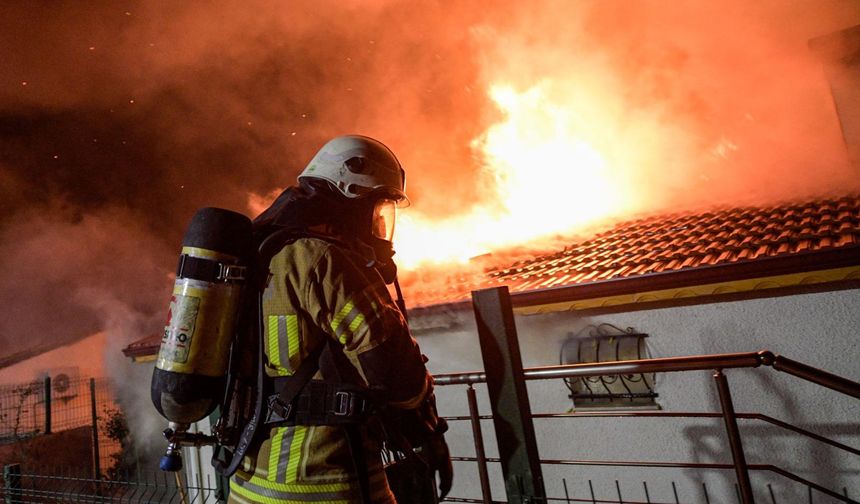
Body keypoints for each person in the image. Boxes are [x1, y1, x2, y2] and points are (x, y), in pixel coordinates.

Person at [228, 135, 452, 504]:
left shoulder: (261, 255)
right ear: (352, 200)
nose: (379, 227)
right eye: (377, 210)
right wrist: (428, 431)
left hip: (249, 485)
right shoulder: (327, 261)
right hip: (324, 485)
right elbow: (397, 373)